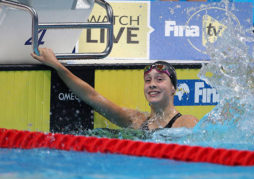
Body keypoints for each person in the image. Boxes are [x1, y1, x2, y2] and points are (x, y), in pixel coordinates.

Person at [31, 48, 198, 130]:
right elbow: (92, 97)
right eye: (147, 80)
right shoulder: (136, 121)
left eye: (160, 79)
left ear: (173, 88)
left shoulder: (186, 123)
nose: (152, 84)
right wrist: (57, 66)